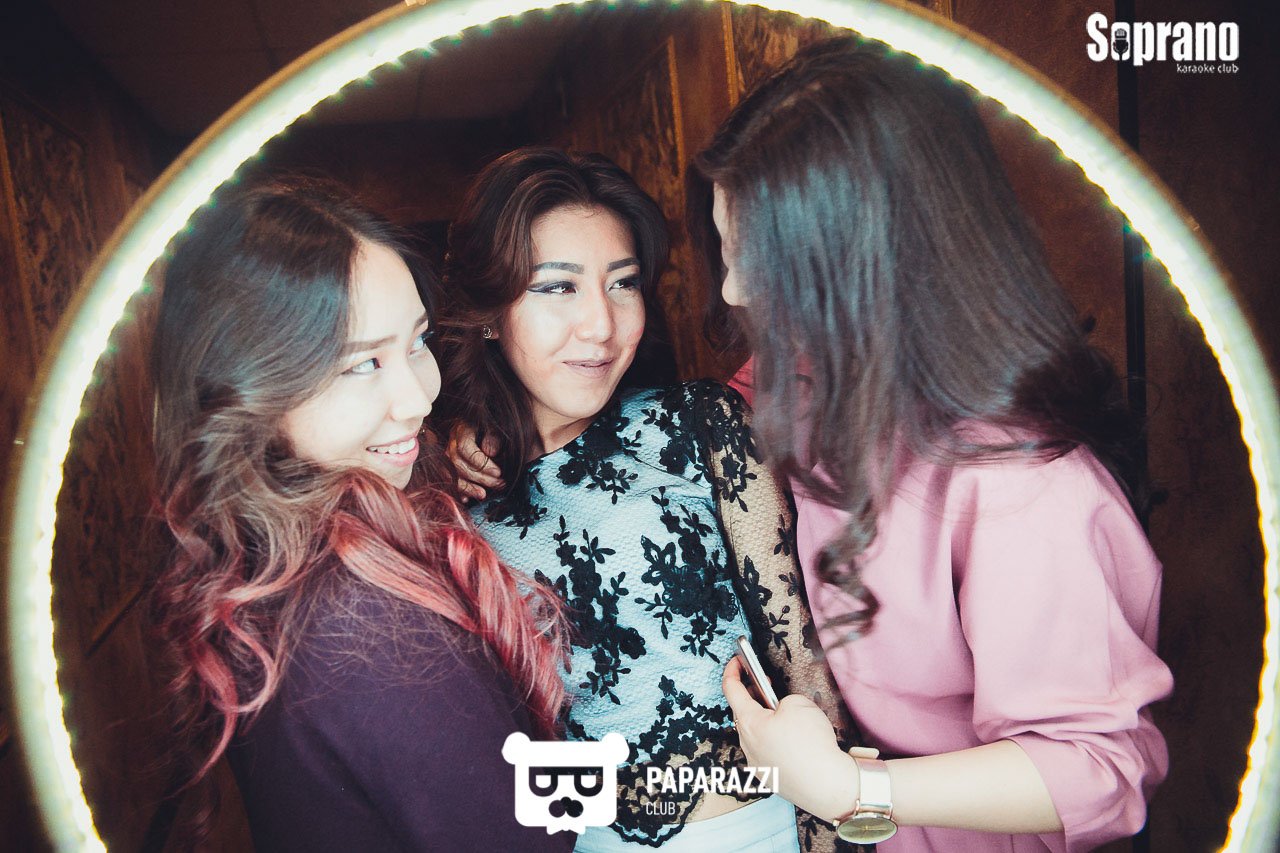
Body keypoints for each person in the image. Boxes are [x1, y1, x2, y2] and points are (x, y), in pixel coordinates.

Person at [690, 38, 1174, 852]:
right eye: (726, 251)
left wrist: (850, 789)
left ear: (868, 266)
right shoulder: (806, 374)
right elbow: (707, 419)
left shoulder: (1024, 488)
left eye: (758, 262)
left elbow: (1101, 767)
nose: (734, 290)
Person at [438, 147, 858, 852]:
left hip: (762, 828)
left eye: (623, 283)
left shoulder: (698, 425)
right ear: (488, 312)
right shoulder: (452, 495)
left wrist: (836, 840)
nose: (600, 324)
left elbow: (801, 665)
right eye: (558, 287)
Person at [148, 177, 573, 851]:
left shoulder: (265, 558)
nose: (418, 397)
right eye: (359, 365)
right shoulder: (362, 622)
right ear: (250, 388)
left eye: (416, 342)